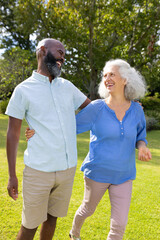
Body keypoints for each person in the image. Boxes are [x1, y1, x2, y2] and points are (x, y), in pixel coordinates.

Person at [5, 38, 91, 240]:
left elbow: (94, 107)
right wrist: (12, 175)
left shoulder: (67, 86)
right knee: (29, 227)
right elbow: (13, 133)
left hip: (67, 170)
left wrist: (124, 103)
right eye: (59, 51)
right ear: (42, 50)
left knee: (52, 219)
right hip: (38, 172)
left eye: (64, 54)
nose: (63, 57)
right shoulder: (23, 90)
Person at [68, 59, 152, 240]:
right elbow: (68, 128)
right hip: (97, 173)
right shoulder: (96, 108)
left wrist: (142, 147)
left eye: (112, 74)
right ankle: (74, 232)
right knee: (87, 209)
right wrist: (40, 129)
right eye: (105, 75)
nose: (107, 78)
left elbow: (141, 136)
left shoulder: (137, 110)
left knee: (119, 225)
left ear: (125, 79)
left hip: (124, 175)